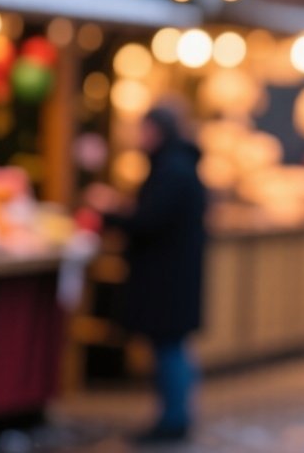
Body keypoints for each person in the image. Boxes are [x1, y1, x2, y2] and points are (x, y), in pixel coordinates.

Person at [96, 105, 208, 444]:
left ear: (158, 132)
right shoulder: (178, 166)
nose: (139, 138)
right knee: (172, 347)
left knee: (169, 347)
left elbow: (148, 220)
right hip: (173, 276)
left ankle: (174, 419)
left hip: (167, 278)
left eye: (144, 130)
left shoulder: (171, 170)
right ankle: (176, 414)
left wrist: (110, 213)